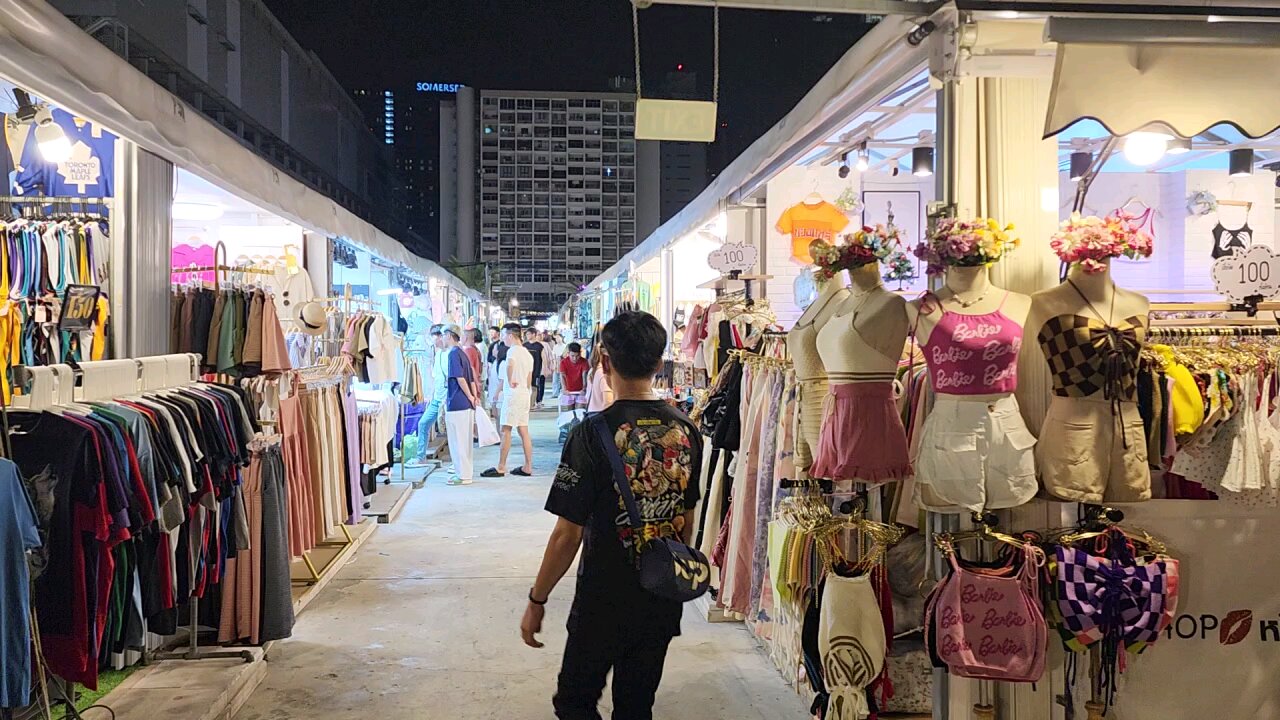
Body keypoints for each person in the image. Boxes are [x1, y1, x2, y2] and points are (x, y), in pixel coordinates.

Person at [521, 311, 702, 720]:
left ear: (604, 364)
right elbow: (687, 521)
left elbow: (567, 533)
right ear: (659, 364)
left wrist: (538, 599)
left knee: (574, 702)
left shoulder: (592, 432)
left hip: (603, 597)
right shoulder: (686, 430)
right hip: (661, 594)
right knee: (637, 706)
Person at [481, 323, 535, 478]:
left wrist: (510, 380)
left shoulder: (513, 351)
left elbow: (510, 365)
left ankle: (501, 466)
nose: (503, 338)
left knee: (506, 430)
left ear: (511, 335)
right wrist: (527, 389)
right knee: (523, 430)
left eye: (504, 335)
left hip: (513, 394)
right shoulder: (527, 353)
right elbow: (530, 377)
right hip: (524, 392)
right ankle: (528, 466)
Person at [441, 324, 480, 486]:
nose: (442, 339)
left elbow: (460, 378)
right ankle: (466, 474)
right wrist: (473, 396)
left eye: (443, 335)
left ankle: (462, 475)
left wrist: (471, 396)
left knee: (458, 441)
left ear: (449, 335)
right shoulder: (462, 353)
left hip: (457, 402)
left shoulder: (453, 354)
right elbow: (470, 378)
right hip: (466, 403)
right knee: (465, 441)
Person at [407, 324, 448, 467]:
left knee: (451, 431)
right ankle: (421, 457)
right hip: (437, 398)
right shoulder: (438, 353)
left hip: (445, 400)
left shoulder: (448, 354)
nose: (432, 339)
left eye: (434, 336)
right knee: (423, 424)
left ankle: (459, 463)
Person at [584, 338, 614, 417]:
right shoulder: (604, 373)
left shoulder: (593, 370)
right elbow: (608, 401)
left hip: (591, 412)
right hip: (600, 415)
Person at [557, 342, 589, 414]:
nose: (575, 358)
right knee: (568, 414)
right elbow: (562, 376)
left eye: (577, 356)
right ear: (568, 353)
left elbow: (584, 376)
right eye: (572, 356)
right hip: (568, 391)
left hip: (580, 391)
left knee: (580, 413)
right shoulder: (563, 362)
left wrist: (584, 389)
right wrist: (564, 389)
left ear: (580, 353)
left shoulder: (584, 362)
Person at [524, 329, 546, 410]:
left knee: (534, 387)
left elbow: (544, 358)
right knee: (526, 387)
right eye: (526, 334)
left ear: (534, 334)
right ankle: (527, 403)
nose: (527, 336)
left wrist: (544, 369)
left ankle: (532, 404)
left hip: (536, 370)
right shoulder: (524, 345)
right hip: (525, 370)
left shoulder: (539, 346)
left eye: (529, 334)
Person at [486, 325, 507, 409]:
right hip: (495, 394)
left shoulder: (502, 364)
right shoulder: (495, 362)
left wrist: (496, 394)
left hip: (499, 396)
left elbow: (502, 380)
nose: (493, 351)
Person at [550, 333, 569, 398]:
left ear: (562, 338)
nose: (557, 339)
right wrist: (554, 364)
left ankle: (563, 392)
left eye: (558, 338)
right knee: (555, 379)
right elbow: (554, 356)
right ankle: (555, 393)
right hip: (557, 363)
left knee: (563, 379)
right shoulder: (555, 346)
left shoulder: (565, 346)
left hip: (563, 363)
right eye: (556, 338)